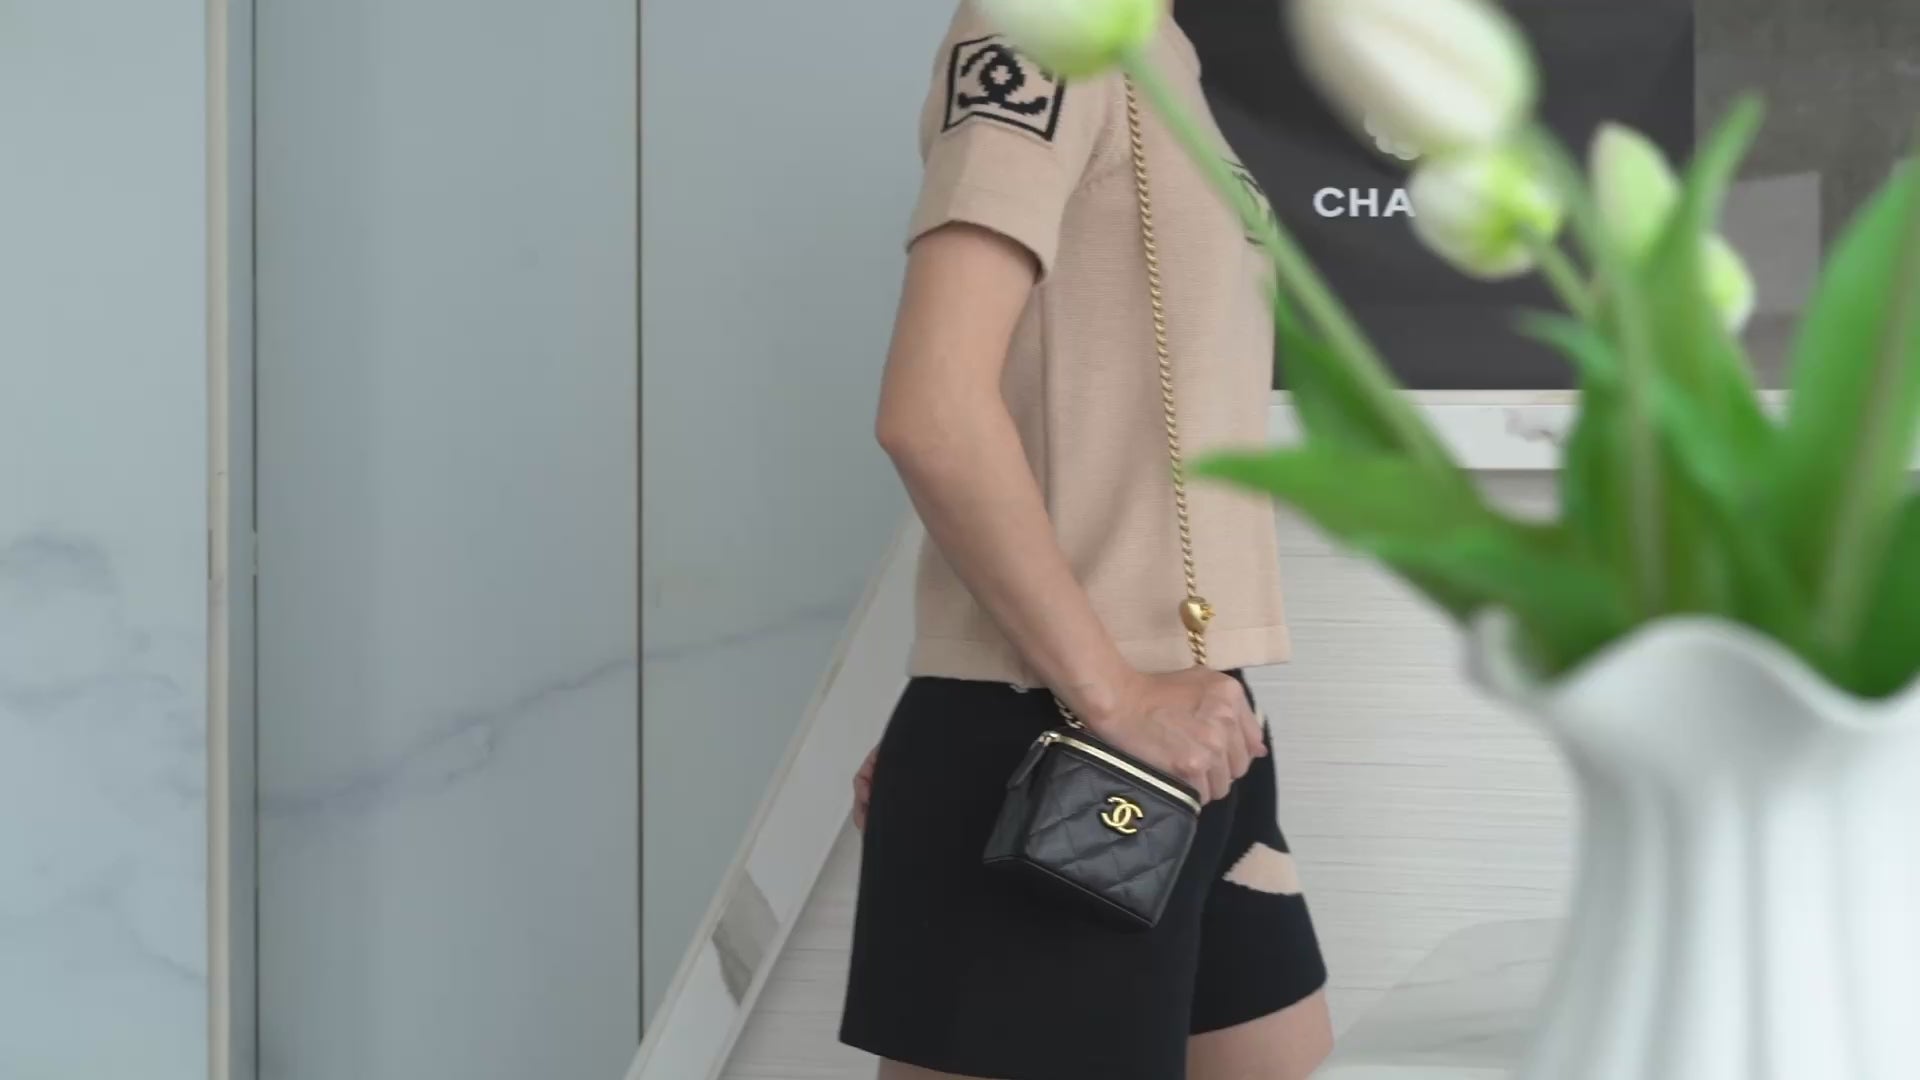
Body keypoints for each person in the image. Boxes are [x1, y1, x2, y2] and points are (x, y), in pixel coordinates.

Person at [839, 2, 1332, 1077]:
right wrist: (1092, 693)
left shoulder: (1162, 47)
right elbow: (932, 409)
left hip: (1197, 728)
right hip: (1074, 734)